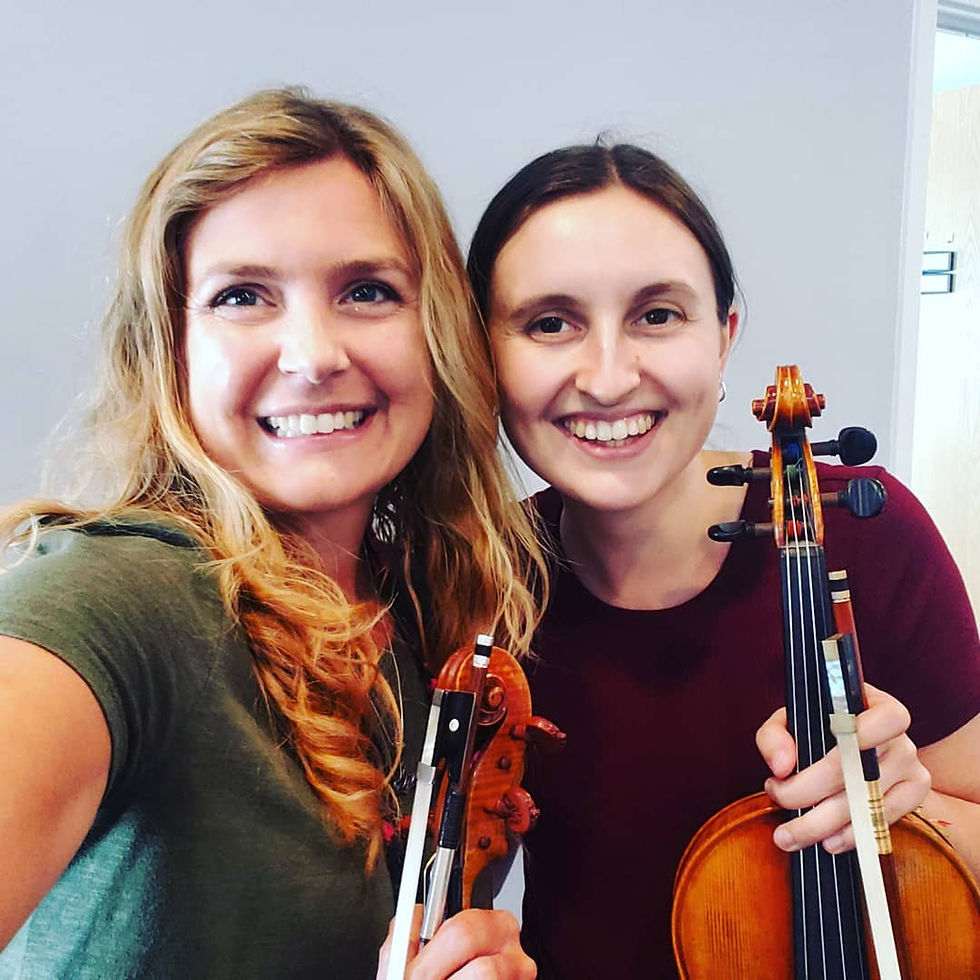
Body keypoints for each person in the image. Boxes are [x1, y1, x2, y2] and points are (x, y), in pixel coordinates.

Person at [0, 89, 543, 979]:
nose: (314, 355)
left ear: (437, 332)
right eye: (242, 296)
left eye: (367, 291)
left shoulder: (417, 617)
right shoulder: (111, 601)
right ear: (169, 348)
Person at [466, 143, 980, 978]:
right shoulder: (483, 583)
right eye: (550, 323)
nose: (607, 379)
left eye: (657, 315)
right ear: (483, 352)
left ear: (724, 336)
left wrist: (906, 806)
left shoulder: (867, 532)